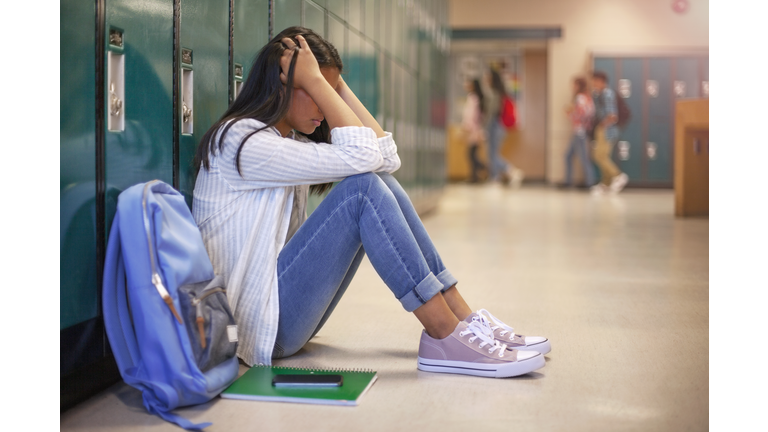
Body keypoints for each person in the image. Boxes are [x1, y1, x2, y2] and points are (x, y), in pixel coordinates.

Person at [192, 27, 550, 378]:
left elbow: (385, 157)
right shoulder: (241, 142)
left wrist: (331, 83)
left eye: (330, 92)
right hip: (254, 328)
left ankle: (461, 319)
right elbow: (364, 158)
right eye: (316, 92)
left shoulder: (287, 143)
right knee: (362, 190)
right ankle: (443, 333)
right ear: (283, 84)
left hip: (276, 314)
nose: (324, 106)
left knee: (379, 182)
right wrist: (319, 82)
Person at [483, 69, 524, 187]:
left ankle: (511, 170)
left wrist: (484, 128)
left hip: (495, 126)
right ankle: (495, 177)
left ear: (492, 79)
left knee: (493, 155)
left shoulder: (493, 93)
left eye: (487, 78)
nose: (485, 80)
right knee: (492, 154)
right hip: (500, 126)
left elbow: (491, 113)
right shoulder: (501, 93)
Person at [590, 71, 628, 195]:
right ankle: (605, 183)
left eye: (595, 81)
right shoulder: (599, 94)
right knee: (602, 156)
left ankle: (618, 175)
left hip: (607, 130)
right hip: (603, 129)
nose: (593, 83)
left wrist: (602, 125)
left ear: (601, 81)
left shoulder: (607, 94)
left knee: (599, 156)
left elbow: (613, 116)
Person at [562, 77, 596, 188]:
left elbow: (581, 114)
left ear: (578, 86)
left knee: (583, 158)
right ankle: (568, 182)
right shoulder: (588, 97)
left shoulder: (580, 98)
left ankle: (589, 182)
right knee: (568, 156)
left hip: (579, 131)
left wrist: (569, 114)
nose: (572, 87)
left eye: (574, 85)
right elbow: (590, 112)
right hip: (581, 130)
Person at [460, 78, 488, 183]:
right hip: (475, 130)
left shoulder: (473, 98)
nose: (466, 85)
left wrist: (466, 126)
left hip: (473, 131)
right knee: (472, 154)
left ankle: (482, 169)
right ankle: (475, 176)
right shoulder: (477, 98)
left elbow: (471, 115)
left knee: (471, 155)